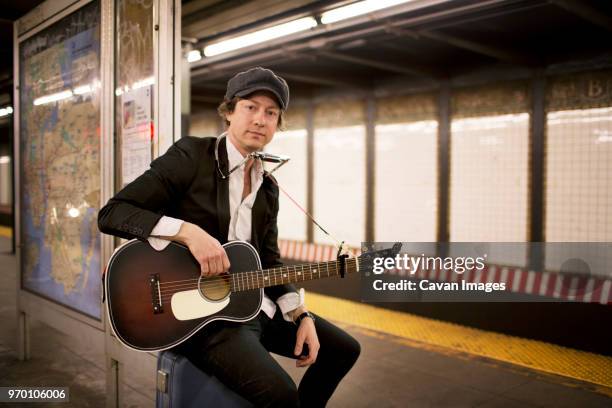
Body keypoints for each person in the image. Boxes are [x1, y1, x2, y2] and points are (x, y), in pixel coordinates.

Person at [98, 67, 360, 407]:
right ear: (229, 112)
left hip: (252, 305)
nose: (260, 120)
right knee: (281, 396)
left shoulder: (268, 187)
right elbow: (114, 212)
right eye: (251, 107)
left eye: (271, 113)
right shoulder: (192, 155)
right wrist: (187, 233)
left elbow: (269, 262)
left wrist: (301, 315)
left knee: (343, 350)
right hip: (203, 317)